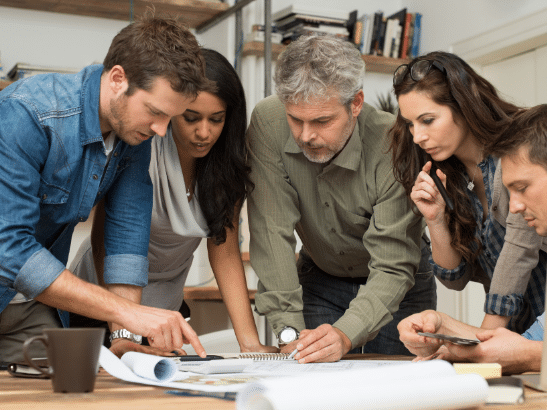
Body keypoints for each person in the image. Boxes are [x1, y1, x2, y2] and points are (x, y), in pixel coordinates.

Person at [0, 16, 212, 364]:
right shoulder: (27, 114)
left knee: (80, 383)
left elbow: (126, 234)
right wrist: (129, 313)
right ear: (117, 79)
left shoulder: (133, 131)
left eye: (170, 119)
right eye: (155, 113)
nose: (161, 131)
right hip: (13, 277)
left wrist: (124, 335)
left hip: (24, 306)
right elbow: (9, 249)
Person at [69, 49, 277, 357]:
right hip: (102, 307)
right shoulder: (140, 147)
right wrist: (122, 329)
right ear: (171, 109)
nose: (204, 132)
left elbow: (225, 251)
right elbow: (105, 244)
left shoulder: (225, 168)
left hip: (165, 310)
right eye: (191, 118)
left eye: (216, 120)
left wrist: (249, 342)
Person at [247, 34, 436, 363]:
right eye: (296, 119)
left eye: (322, 121)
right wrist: (287, 330)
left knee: (396, 391)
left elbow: (393, 265)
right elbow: (269, 231)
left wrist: (347, 332)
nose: (306, 135)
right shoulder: (268, 122)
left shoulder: (395, 142)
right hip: (321, 277)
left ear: (356, 103)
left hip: (400, 284)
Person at [398, 104, 547, 374]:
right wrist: (443, 328)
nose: (514, 207)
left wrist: (529, 356)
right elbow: (533, 343)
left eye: (522, 188)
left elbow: (529, 352)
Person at [390, 51, 547, 336]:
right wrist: (435, 220)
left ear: (462, 105)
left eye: (427, 120)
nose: (417, 136)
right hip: (516, 331)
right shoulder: (450, 175)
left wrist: (482, 345)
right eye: (410, 124)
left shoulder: (517, 151)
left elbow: (519, 253)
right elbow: (455, 278)